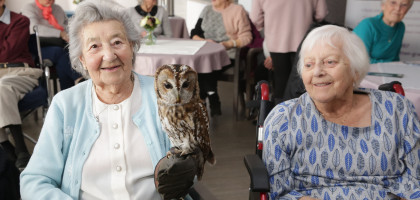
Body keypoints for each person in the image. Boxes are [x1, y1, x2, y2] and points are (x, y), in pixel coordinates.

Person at [20, 0, 196, 199]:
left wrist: (188, 164)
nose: (109, 55)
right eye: (94, 46)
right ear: (82, 60)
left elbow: (190, 167)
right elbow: (34, 181)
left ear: (132, 47)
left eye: (117, 43)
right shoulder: (65, 105)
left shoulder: (165, 97)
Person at [263, 25, 420, 199]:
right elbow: (280, 192)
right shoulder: (283, 119)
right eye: (308, 64)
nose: (317, 72)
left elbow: (415, 178)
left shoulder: (397, 109)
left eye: (330, 62)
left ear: (355, 69)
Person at [250, 0, 328, 103]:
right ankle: (303, 115)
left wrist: (269, 24)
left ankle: (280, 116)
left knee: (280, 83)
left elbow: (255, 18)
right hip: (303, 42)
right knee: (303, 83)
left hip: (276, 41)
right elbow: (321, 14)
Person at [0, 0, 43, 170]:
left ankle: (20, 148)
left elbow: (9, 52)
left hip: (19, 71)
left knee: (2, 86)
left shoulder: (20, 21)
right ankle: (8, 149)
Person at [190, 0, 252, 116]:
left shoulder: (237, 10)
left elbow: (246, 37)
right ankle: (213, 100)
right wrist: (205, 41)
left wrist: (228, 44)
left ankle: (204, 102)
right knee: (197, 67)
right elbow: (194, 33)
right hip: (204, 53)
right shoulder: (207, 9)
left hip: (227, 54)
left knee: (207, 69)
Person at [22, 0, 83, 90]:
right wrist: (59, 33)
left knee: (63, 60)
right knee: (59, 52)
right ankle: (79, 79)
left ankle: (67, 96)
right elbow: (34, 29)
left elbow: (68, 27)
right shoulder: (29, 8)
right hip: (38, 48)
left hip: (59, 46)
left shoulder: (57, 9)